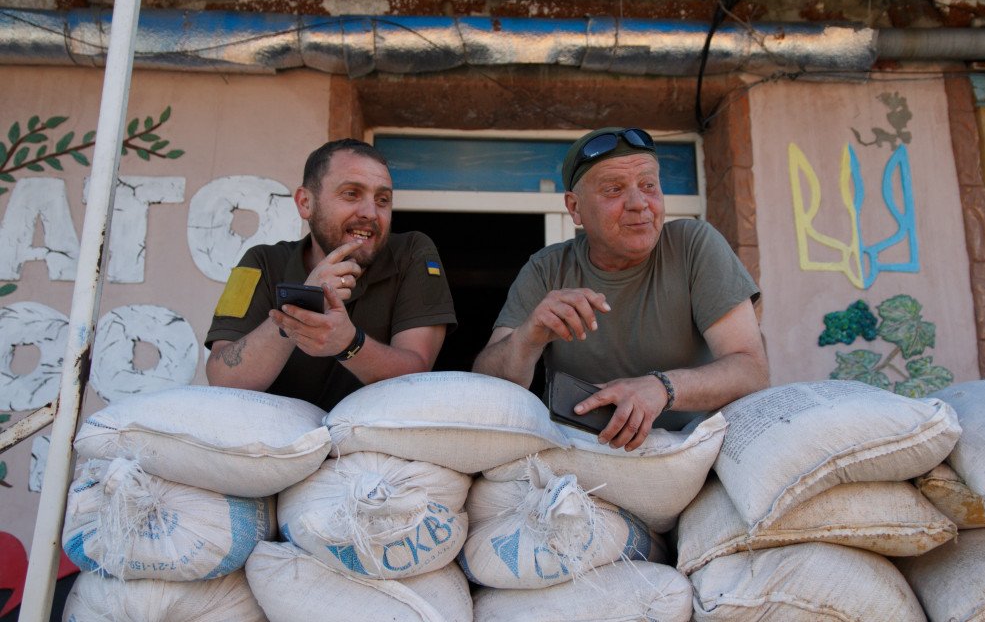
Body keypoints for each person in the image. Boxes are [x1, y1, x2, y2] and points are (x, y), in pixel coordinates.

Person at [472, 127, 769, 451]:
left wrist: (661, 388)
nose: (639, 203)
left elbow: (751, 370)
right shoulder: (547, 270)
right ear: (575, 208)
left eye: (648, 186)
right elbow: (487, 387)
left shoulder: (693, 245)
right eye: (614, 189)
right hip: (585, 452)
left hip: (692, 450)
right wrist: (528, 337)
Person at [205, 138, 457, 411]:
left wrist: (349, 343)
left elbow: (417, 376)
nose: (370, 213)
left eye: (382, 200)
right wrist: (303, 303)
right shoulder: (260, 262)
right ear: (305, 203)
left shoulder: (412, 252)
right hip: (280, 444)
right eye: (351, 193)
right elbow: (222, 377)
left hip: (371, 443)